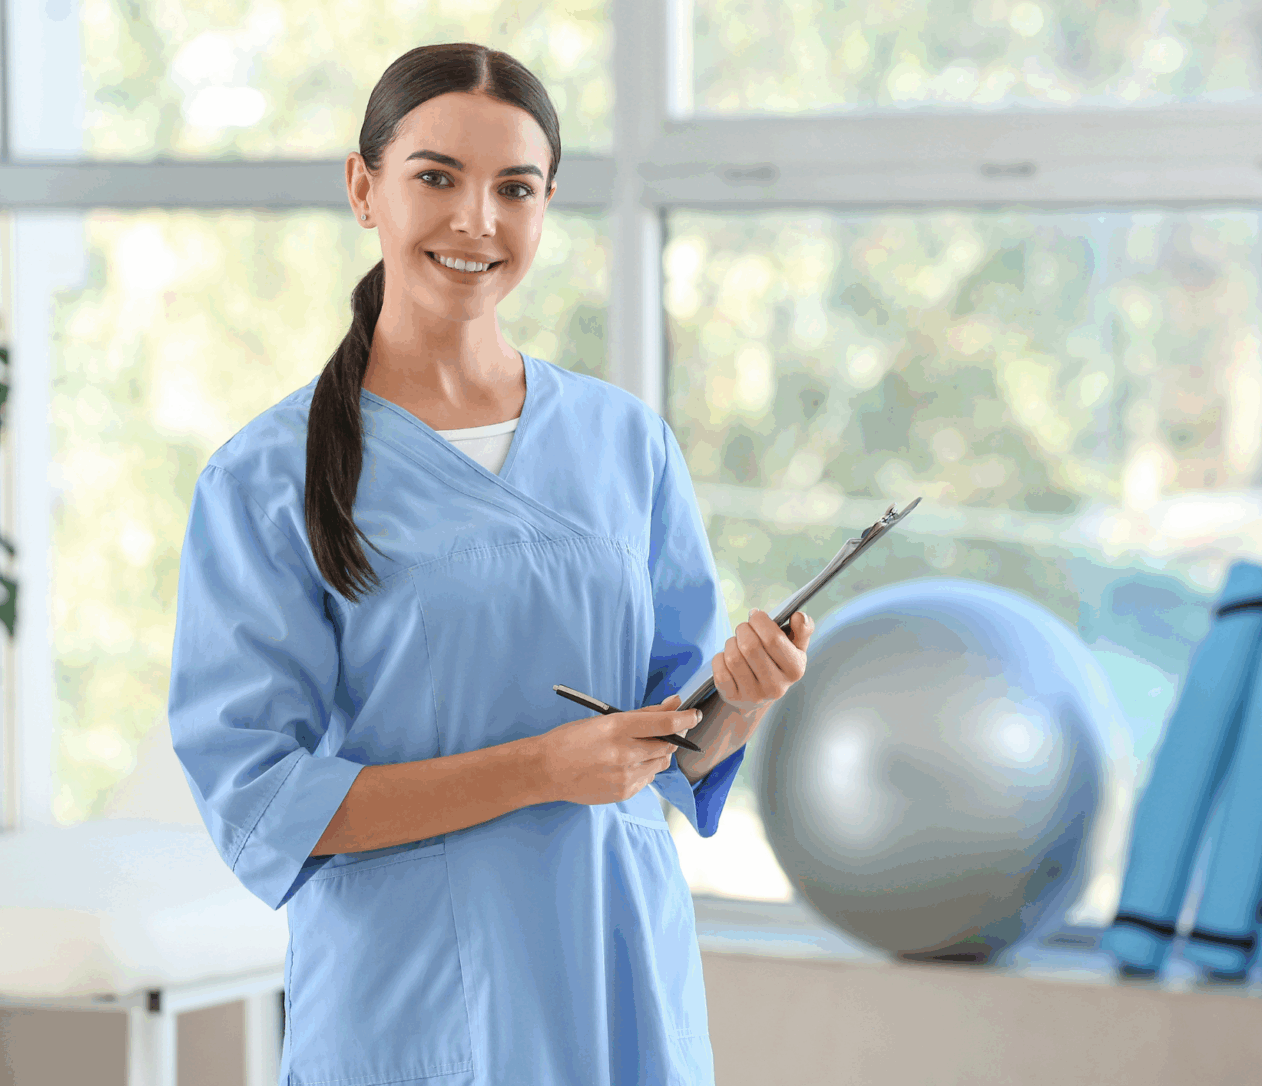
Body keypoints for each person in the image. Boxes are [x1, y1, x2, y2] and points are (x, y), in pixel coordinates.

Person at [167, 42, 813, 1086]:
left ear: (547, 205)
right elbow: (262, 801)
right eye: (437, 177)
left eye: (515, 188)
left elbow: (676, 746)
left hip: (613, 965)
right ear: (363, 188)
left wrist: (742, 698)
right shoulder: (265, 477)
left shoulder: (626, 442)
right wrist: (541, 770)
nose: (477, 220)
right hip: (411, 993)